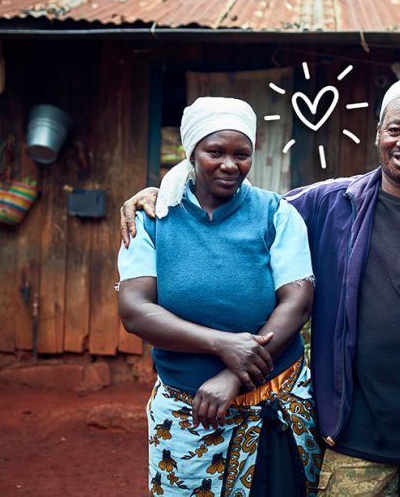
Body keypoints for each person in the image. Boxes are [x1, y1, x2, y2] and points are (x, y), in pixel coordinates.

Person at [122, 76, 400, 497]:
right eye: (395, 129)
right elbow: (243, 207)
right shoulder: (332, 202)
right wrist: (167, 192)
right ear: (378, 131)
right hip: (352, 438)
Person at [117, 97, 323, 497]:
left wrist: (235, 374)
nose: (230, 165)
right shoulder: (151, 218)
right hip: (187, 413)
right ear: (191, 152)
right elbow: (135, 310)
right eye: (215, 152)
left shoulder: (275, 214)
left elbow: (297, 302)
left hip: (274, 406)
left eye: (241, 154)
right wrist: (222, 344)